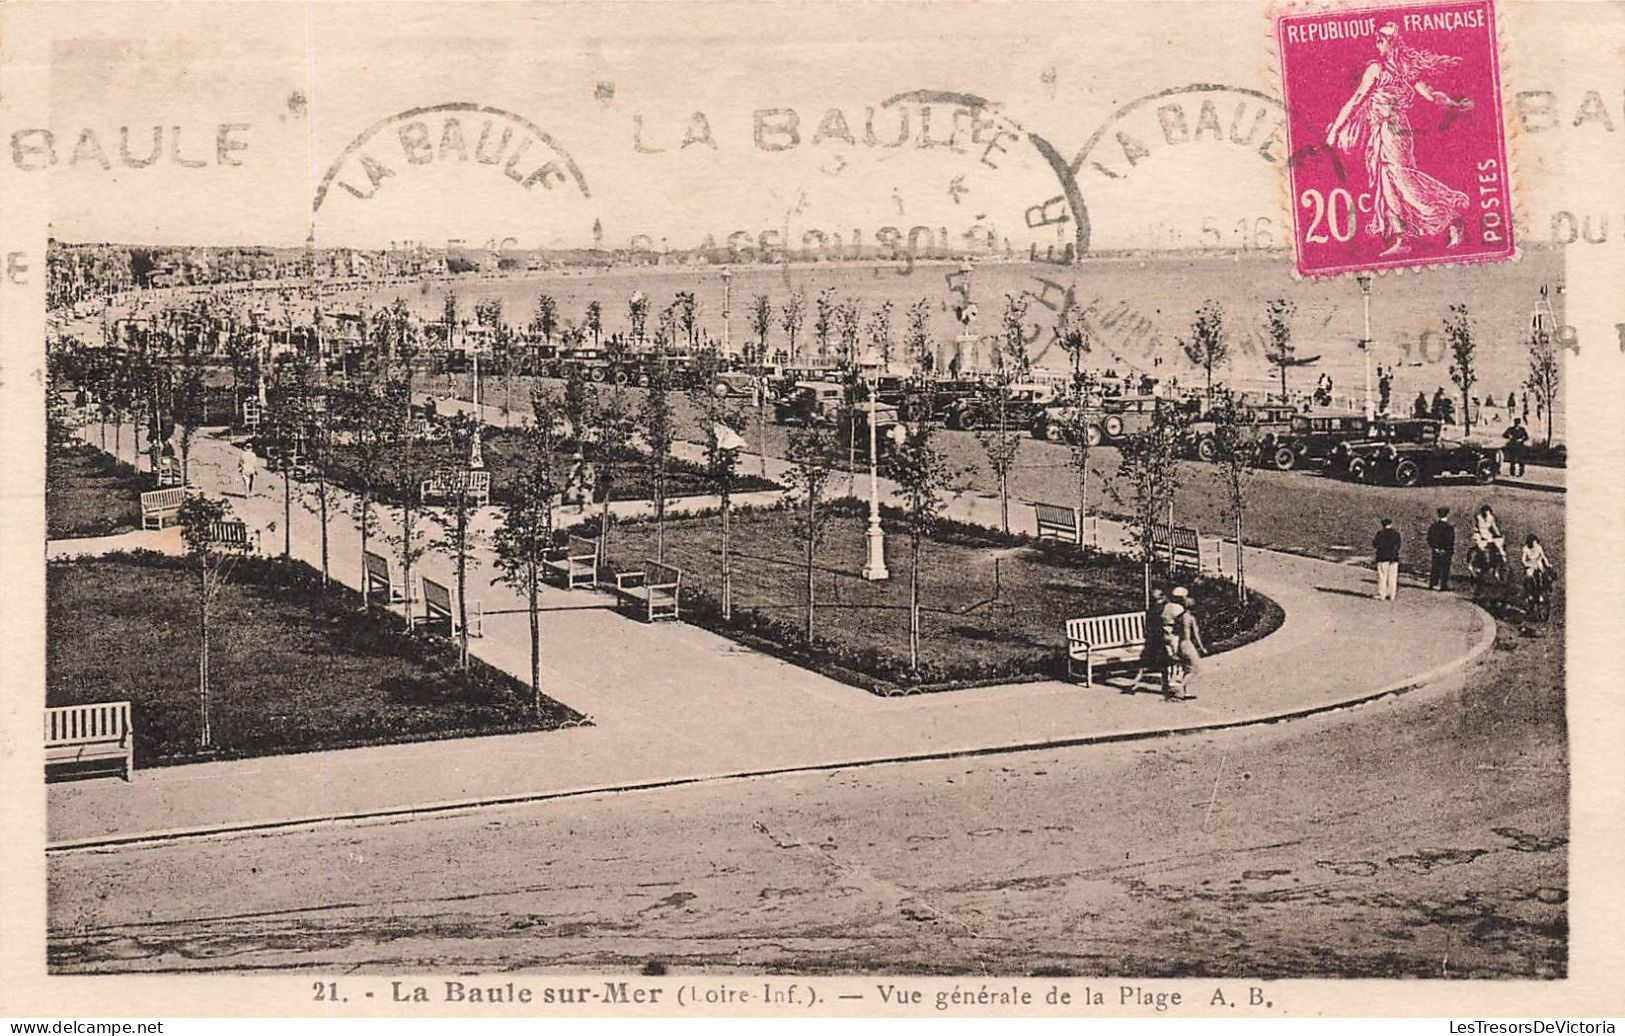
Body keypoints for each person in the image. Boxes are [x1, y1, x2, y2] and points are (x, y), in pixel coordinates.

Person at [1324, 21, 1473, 257]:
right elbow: (1358, 100)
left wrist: (1335, 132)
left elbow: (1428, 94)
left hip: (1393, 130)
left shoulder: (1391, 70)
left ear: (1391, 43)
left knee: (1402, 179)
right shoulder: (1389, 70)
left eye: (1381, 40)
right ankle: (1402, 237)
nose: (1377, 45)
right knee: (1387, 182)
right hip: (1386, 130)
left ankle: (1451, 217)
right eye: (1377, 40)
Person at [1136, 589, 1169, 690]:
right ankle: (1165, 683)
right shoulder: (1161, 609)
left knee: (1146, 659)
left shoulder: (1151, 610)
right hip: (1159, 637)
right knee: (1164, 660)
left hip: (1152, 638)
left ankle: (1138, 678)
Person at [1426, 506, 1455, 590]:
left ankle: (1432, 583)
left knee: (1435, 566)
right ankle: (1443, 585)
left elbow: (1429, 538)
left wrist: (1435, 547)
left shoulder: (1433, 526)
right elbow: (1450, 540)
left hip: (1435, 550)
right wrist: (1446, 549)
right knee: (1445, 568)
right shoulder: (1449, 528)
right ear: (1447, 515)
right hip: (1446, 551)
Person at [1373, 518, 1401, 601]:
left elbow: (1375, 544)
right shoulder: (1396, 534)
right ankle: (1392, 595)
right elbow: (1398, 546)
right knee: (1392, 577)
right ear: (1391, 524)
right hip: (1394, 558)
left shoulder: (1380, 534)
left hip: (1382, 557)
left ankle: (1382, 594)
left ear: (1382, 525)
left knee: (1382, 576)